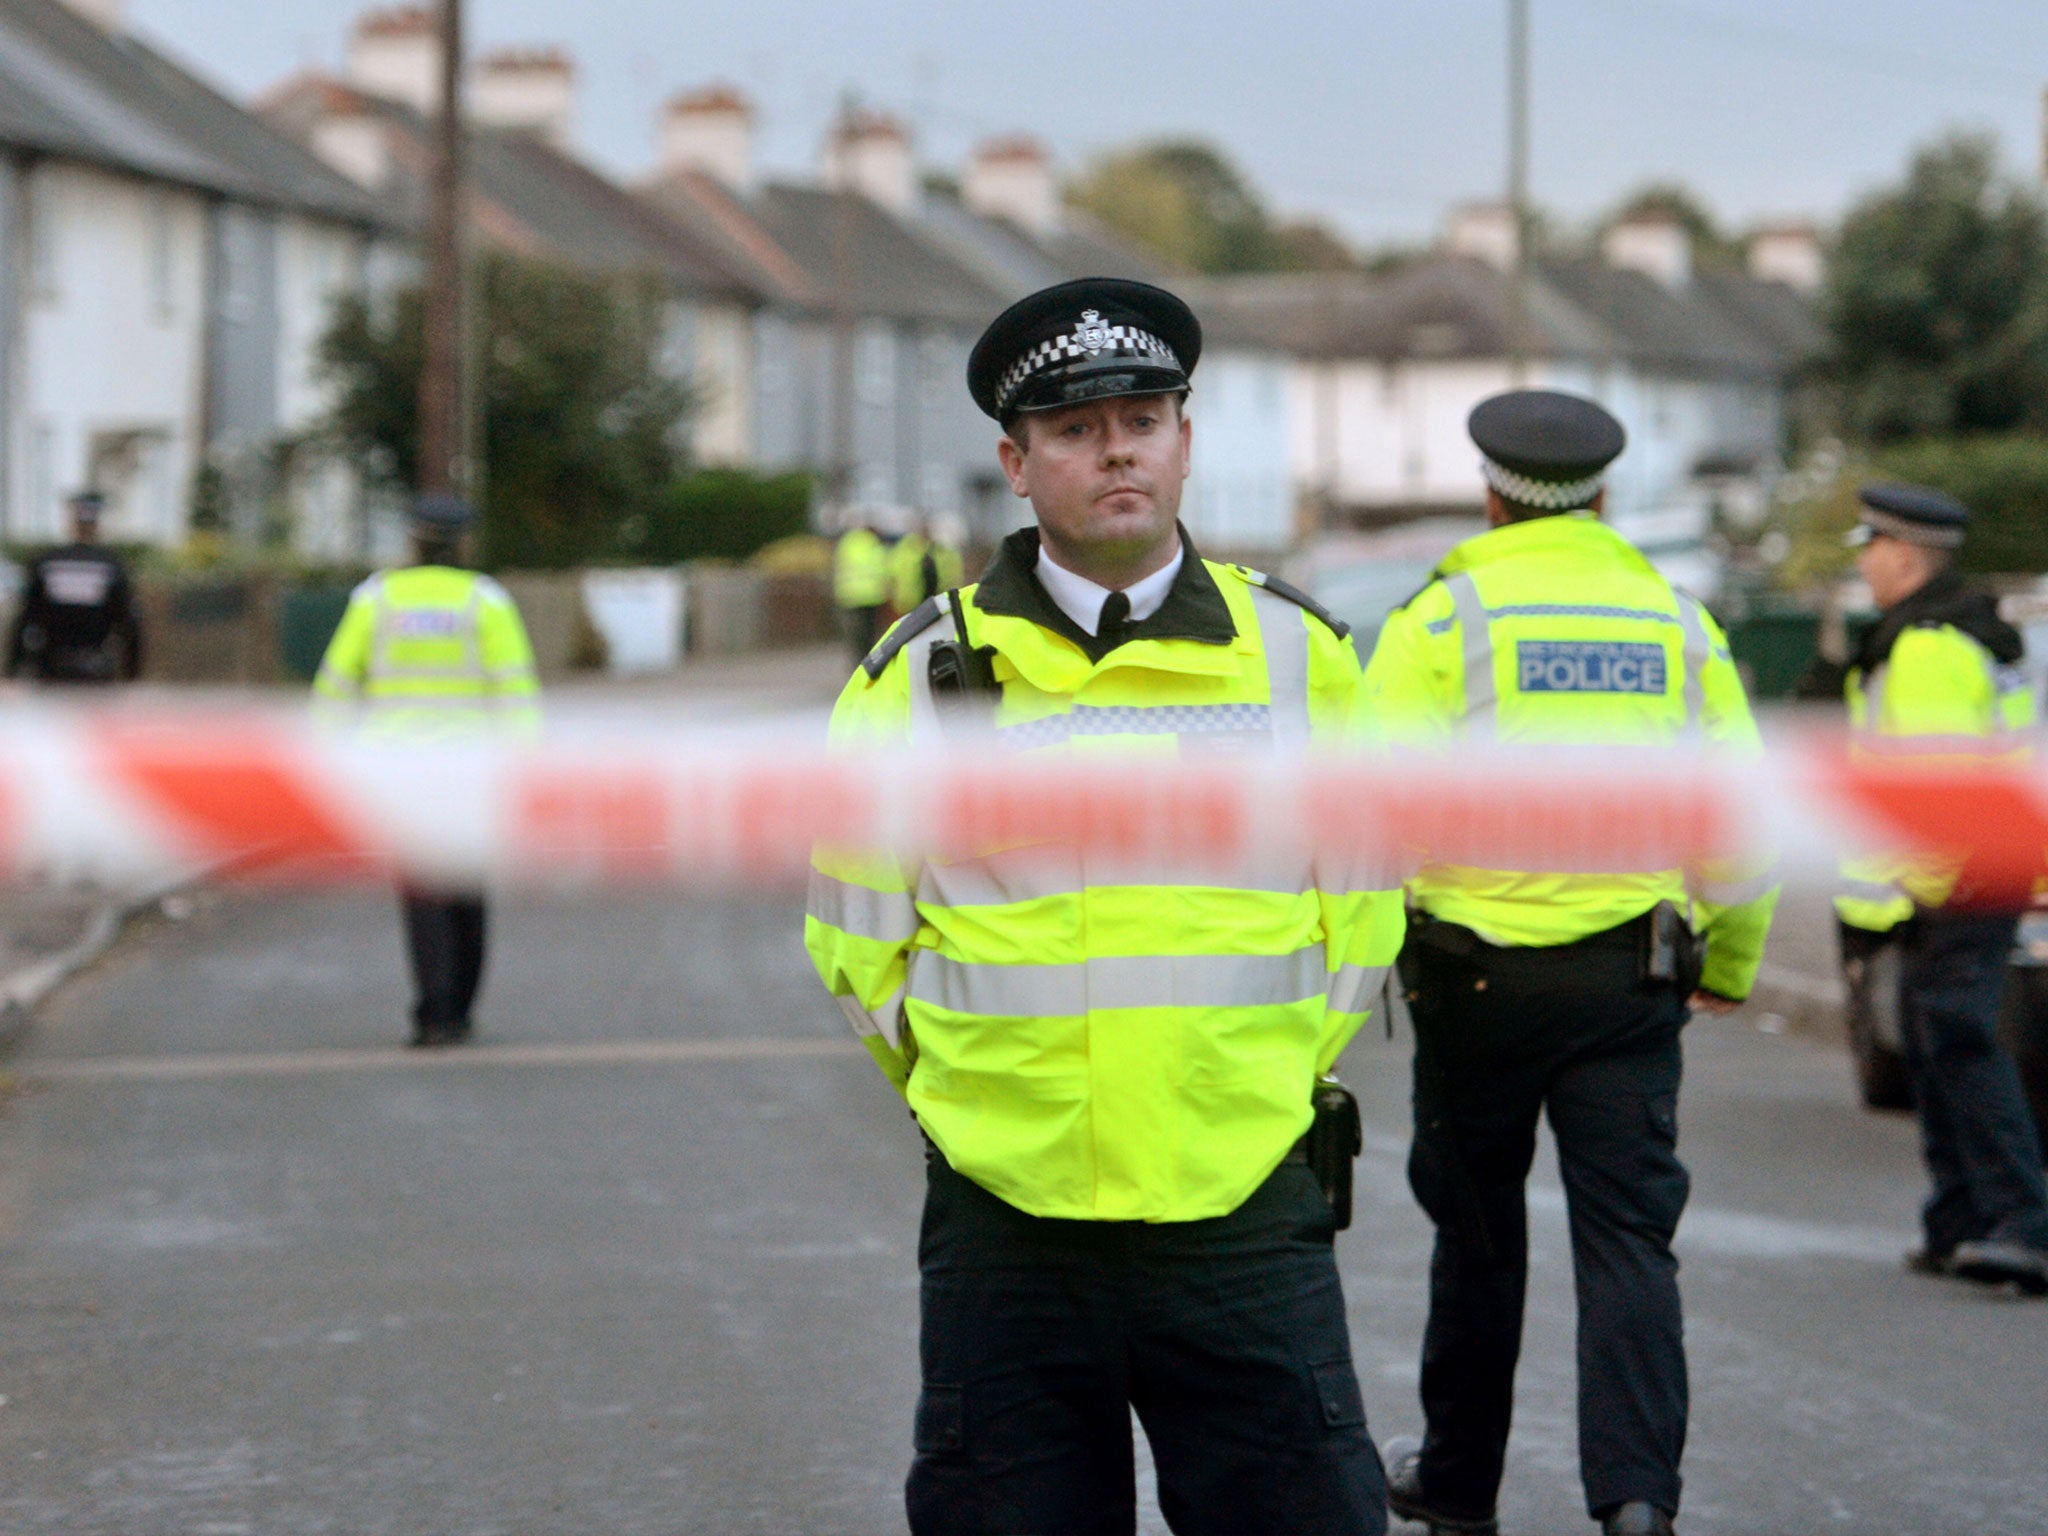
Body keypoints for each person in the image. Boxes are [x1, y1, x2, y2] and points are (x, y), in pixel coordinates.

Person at [805, 277, 1403, 1536]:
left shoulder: (1298, 658)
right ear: (1017, 466)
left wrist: (1258, 1077)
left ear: (1184, 440)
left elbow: (1361, 914)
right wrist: (977, 1097)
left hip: (1240, 1207)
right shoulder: (919, 678)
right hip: (1008, 1226)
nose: (1114, 448)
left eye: (1140, 417)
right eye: (1074, 431)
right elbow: (857, 945)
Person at [1361, 390, 1778, 1536]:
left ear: (1490, 495)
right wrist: (1729, 960)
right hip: (1627, 984)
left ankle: (1455, 1487)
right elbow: (1739, 822)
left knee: (1477, 1238)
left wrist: (1368, 954)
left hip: (1472, 985)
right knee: (1628, 1246)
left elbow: (1369, 815)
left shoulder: (1438, 623)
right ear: (1600, 497)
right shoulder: (1675, 623)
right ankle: (1636, 1504)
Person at [1834, 482, 2048, 1292]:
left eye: (1872, 546)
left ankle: (2024, 1223)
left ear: (1905, 555)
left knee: (1957, 1039)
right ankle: (1959, 1217)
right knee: (1934, 1042)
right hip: (1971, 875)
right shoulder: (1955, 633)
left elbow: (1934, 784)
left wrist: (1918, 889)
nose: (1863, 561)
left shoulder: (1926, 645)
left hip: (1953, 880)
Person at [312, 493, 539, 1048]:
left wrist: (324, 756)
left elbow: (338, 682)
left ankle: (434, 1013)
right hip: (472, 767)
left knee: (421, 894)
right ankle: (460, 1006)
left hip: (399, 769)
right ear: (463, 542)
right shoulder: (485, 601)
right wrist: (527, 770)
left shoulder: (377, 598)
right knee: (466, 889)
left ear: (412, 539)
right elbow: (515, 690)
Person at [6, 489, 143, 685]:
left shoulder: (46, 563)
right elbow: (129, 623)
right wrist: (132, 673)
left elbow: (26, 618)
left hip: (51, 668)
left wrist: (13, 668)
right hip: (96, 670)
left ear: (72, 522)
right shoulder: (110, 566)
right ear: (96, 524)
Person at [833, 515, 890, 667]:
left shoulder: (848, 542)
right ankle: (868, 664)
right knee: (868, 636)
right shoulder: (875, 544)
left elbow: (840, 566)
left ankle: (859, 665)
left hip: (851, 596)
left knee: (857, 637)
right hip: (870, 596)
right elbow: (883, 569)